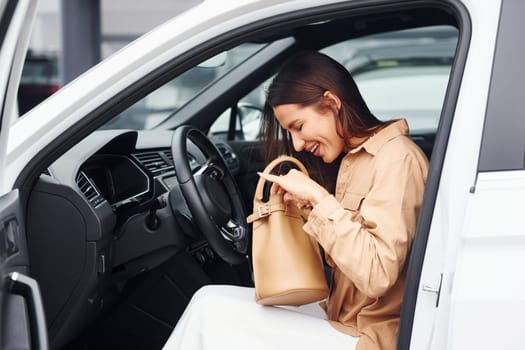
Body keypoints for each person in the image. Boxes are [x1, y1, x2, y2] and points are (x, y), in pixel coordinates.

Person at [162, 51, 428, 350]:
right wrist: (309, 209)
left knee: (211, 316)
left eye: (298, 127)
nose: (297, 144)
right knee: (206, 299)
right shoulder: (357, 160)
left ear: (332, 103)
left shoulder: (397, 159)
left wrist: (318, 197)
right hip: (338, 314)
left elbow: (377, 275)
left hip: (367, 337)